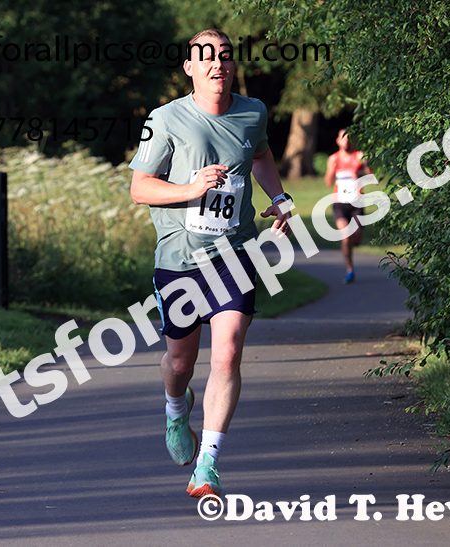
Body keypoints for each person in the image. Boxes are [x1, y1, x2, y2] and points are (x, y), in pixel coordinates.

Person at [128, 29, 292, 499]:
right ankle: (175, 409)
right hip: (180, 256)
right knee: (181, 362)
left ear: (232, 64)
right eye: (205, 57)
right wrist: (191, 189)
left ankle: (207, 466)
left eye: (224, 56)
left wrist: (279, 197)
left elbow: (260, 153)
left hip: (235, 252)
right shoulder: (164, 119)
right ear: (190, 68)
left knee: (228, 353)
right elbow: (140, 188)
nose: (216, 63)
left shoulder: (253, 112)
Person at [324, 129, 372, 284]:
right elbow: (328, 182)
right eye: (342, 138)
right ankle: (349, 269)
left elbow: (370, 177)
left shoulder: (359, 156)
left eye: (348, 138)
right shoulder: (334, 158)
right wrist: (332, 170)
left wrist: (359, 175)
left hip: (357, 203)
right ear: (338, 141)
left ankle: (351, 249)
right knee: (346, 236)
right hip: (339, 203)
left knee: (356, 240)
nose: (345, 141)